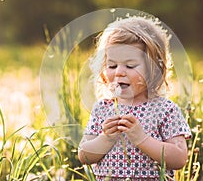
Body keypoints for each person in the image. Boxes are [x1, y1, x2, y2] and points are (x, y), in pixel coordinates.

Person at [78, 15, 191, 180]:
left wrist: (142, 139)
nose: (119, 72)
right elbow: (84, 155)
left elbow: (179, 158)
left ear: (153, 69)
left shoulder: (164, 110)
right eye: (112, 65)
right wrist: (106, 138)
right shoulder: (102, 108)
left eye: (130, 66)